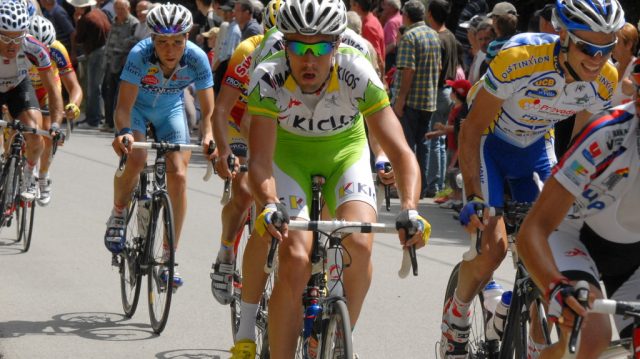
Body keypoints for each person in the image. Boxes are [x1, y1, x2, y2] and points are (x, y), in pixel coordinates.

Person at [228, 0, 430, 357]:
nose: (309, 60)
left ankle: (338, 336)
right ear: (284, 44)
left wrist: (410, 209)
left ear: (337, 45)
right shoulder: (268, 74)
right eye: (298, 47)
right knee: (294, 256)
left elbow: (400, 152)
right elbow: (260, 161)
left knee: (361, 242)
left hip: (344, 152)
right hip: (288, 156)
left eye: (320, 47)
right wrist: (271, 204)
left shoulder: (358, 69)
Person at [440, 0, 624, 356]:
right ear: (564, 36)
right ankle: (457, 313)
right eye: (588, 48)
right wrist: (475, 197)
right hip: (490, 146)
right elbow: (473, 128)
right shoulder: (520, 58)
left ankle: (511, 307)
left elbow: (580, 151)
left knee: (547, 254)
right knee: (492, 248)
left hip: (537, 149)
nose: (597, 59)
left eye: (608, 49)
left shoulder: (605, 78)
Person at [517, 57, 640, 358]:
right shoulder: (607, 135)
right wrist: (555, 287)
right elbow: (532, 229)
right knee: (591, 337)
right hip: (573, 236)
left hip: (633, 256)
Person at [104, 3, 215, 288]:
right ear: (152, 39)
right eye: (162, 42)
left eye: (177, 42)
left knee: (178, 174)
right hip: (138, 110)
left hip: (170, 110)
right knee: (137, 158)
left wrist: (208, 134)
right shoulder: (139, 55)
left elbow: (207, 109)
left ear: (187, 38)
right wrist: (125, 132)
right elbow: (123, 106)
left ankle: (168, 254)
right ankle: (118, 212)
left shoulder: (198, 58)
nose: (170, 49)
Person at [209, 0, 277, 307]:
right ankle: (226, 253)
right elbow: (220, 111)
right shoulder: (248, 53)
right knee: (246, 189)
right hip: (238, 119)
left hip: (275, 124)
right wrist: (225, 150)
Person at [0, 0, 63, 200]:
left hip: (18, 86)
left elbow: (53, 90)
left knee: (35, 134)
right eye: (5, 38)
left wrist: (55, 123)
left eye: (17, 38)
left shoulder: (34, 47)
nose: (12, 45)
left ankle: (29, 173)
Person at [28, 15, 82, 205]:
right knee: (15, 127)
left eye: (45, 50)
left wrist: (73, 104)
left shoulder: (57, 49)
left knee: (49, 132)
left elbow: (74, 87)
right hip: (24, 88)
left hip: (48, 91)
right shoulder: (19, 44)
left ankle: (42, 176)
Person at [392, 0, 441, 199]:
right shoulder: (434, 35)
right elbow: (438, 68)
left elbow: (408, 70)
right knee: (423, 146)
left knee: (406, 146)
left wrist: (400, 100)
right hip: (428, 99)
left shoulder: (409, 36)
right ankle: (420, 187)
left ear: (406, 16)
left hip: (411, 100)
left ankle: (407, 187)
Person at [68, 0, 110, 129]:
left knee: (93, 87)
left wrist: (77, 21)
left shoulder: (86, 19)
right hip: (104, 50)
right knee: (98, 86)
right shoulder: (99, 12)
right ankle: (98, 116)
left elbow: (78, 38)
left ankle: (93, 120)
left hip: (96, 53)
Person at [102, 0, 138, 132]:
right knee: (108, 92)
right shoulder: (114, 20)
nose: (119, 11)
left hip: (123, 62)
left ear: (128, 8)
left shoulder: (134, 23)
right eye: (117, 8)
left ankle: (118, 124)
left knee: (119, 94)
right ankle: (108, 122)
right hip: (110, 61)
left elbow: (134, 42)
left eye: (122, 8)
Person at [611, 22, 638, 106]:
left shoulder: (637, 68)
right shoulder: (613, 67)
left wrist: (635, 88)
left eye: (617, 42)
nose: (612, 46)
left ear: (629, 45)